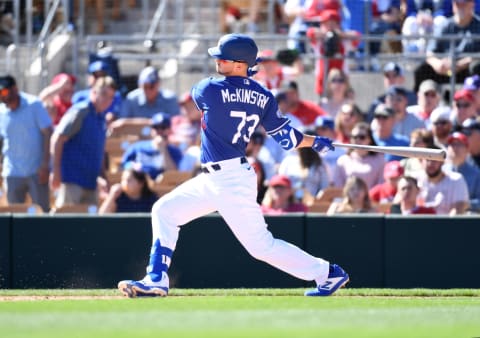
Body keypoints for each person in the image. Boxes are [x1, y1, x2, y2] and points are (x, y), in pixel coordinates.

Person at [118, 33, 349, 298]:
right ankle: (156, 278)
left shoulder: (208, 88)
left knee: (261, 246)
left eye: (223, 56)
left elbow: (207, 104)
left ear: (240, 63)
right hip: (221, 177)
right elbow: (288, 138)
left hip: (229, 179)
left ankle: (328, 273)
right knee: (164, 210)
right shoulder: (263, 94)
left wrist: (312, 142)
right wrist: (314, 142)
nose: (217, 59)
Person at [50, 76, 117, 208]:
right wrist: (55, 171)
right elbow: (57, 138)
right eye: (103, 94)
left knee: (89, 226)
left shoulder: (102, 118)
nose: (106, 100)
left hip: (91, 182)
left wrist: (103, 176)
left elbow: (99, 150)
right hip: (71, 181)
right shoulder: (81, 111)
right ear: (93, 92)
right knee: (66, 221)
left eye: (110, 97)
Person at [0, 75, 52, 212]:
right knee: (14, 215)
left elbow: (47, 132)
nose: (2, 96)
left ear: (15, 89)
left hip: (36, 171)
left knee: (42, 213)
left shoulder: (34, 105)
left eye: (4, 92)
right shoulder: (1, 112)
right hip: (12, 172)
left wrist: (45, 164)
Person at [413, 0, 480, 92]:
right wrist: (438, 64)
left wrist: (462, 63)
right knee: (422, 70)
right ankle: (421, 103)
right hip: (446, 69)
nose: (461, 6)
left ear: (472, 4)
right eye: (458, 4)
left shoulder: (478, 25)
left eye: (464, 3)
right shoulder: (445, 25)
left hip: (466, 68)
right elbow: (430, 52)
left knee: (476, 67)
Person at [110, 66, 180, 134]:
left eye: (151, 86)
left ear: (158, 84)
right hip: (136, 141)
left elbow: (176, 125)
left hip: (163, 142)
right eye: (145, 86)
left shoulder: (170, 99)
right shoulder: (132, 99)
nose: (148, 90)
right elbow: (121, 123)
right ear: (140, 85)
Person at [121, 112, 183, 181]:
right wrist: (133, 166)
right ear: (151, 129)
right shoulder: (138, 146)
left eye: (163, 127)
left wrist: (163, 150)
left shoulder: (175, 151)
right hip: (140, 185)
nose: (159, 131)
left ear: (169, 129)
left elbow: (174, 174)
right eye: (156, 127)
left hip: (162, 188)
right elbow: (124, 163)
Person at [417, 145, 469, 215]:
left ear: (442, 162)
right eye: (427, 159)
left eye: (434, 160)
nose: (430, 163)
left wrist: (445, 225)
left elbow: (458, 209)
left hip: (447, 225)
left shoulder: (456, 180)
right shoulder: (415, 180)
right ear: (421, 161)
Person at [333, 121, 385, 189]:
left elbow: (381, 186)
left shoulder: (380, 160)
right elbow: (338, 187)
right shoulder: (343, 160)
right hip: (347, 198)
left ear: (370, 139)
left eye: (362, 137)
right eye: (354, 137)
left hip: (372, 199)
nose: (357, 140)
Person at [444, 132, 480, 212]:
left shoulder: (476, 174)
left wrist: (465, 204)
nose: (455, 148)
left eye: (459, 144)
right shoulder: (442, 171)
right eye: (452, 144)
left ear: (467, 149)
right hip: (442, 217)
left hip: (466, 219)